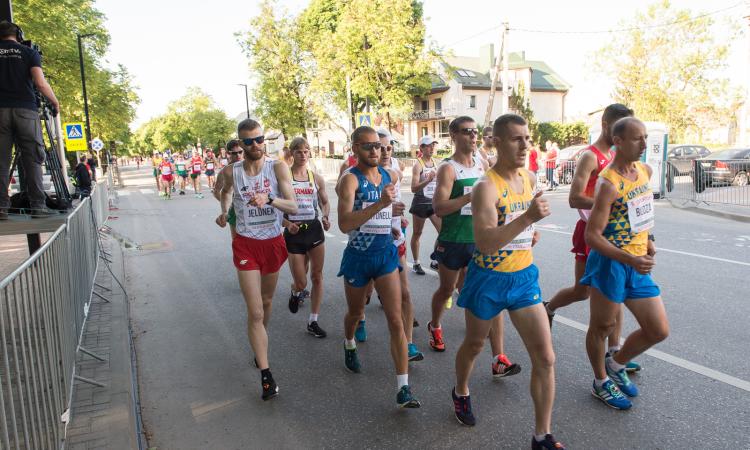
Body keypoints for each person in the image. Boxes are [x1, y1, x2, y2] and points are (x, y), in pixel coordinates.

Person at [451, 113, 564, 450]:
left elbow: (517, 225)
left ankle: (541, 435)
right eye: (516, 139)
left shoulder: (529, 179)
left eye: (527, 138)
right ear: (496, 143)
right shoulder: (486, 187)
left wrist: (530, 230)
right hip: (487, 279)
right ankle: (460, 390)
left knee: (545, 358)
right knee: (474, 344)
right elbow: (485, 242)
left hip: (523, 278)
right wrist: (528, 218)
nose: (525, 145)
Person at [544, 104, 642, 374]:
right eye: (619, 126)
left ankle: (614, 352)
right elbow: (575, 197)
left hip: (617, 233)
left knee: (616, 292)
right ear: (605, 124)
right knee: (582, 291)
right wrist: (608, 201)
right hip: (590, 232)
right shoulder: (591, 156)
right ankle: (549, 308)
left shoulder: (620, 154)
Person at [582, 117, 669, 410]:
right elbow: (592, 236)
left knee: (658, 330)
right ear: (618, 141)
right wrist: (630, 257)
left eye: (645, 138)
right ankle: (600, 381)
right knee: (602, 327)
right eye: (637, 139)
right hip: (611, 263)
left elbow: (640, 215)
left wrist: (648, 239)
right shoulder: (608, 183)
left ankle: (616, 364)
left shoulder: (644, 170)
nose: (644, 145)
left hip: (637, 261)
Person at [428, 116, 520, 379]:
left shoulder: (482, 163)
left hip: (480, 241)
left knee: (489, 296)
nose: (473, 136)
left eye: (475, 131)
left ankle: (498, 358)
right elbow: (439, 208)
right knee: (447, 289)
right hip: (453, 240)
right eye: (467, 131)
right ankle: (435, 325)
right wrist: (471, 195)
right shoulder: (448, 169)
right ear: (453, 136)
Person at [336, 125, 421, 408]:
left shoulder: (390, 175)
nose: (376, 151)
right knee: (355, 312)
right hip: (358, 257)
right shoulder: (351, 180)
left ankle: (403, 388)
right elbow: (345, 223)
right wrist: (381, 205)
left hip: (384, 253)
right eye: (368, 146)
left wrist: (393, 219)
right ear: (355, 149)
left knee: (395, 320)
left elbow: (389, 208)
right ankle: (349, 343)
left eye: (379, 146)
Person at [216, 119, 297, 401]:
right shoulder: (231, 172)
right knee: (256, 312)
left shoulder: (278, 168)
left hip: (273, 242)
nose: (255, 146)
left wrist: (270, 200)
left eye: (259, 139)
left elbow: (294, 205)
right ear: (240, 143)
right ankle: (266, 374)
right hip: (246, 245)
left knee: (266, 303)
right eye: (248, 142)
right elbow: (224, 192)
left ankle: (260, 339)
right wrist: (225, 211)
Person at [0, 21, 60, 219]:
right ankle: (38, 207)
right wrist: (55, 102)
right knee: (32, 159)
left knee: (1, 161)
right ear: (18, 34)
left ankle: (1, 208)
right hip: (26, 110)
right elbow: (40, 84)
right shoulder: (28, 53)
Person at [378, 135, 423, 362]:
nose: (386, 151)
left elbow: (396, 201)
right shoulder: (357, 174)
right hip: (370, 245)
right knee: (360, 301)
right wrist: (385, 216)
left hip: (396, 240)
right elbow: (351, 218)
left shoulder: (396, 167)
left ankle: (409, 343)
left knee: (405, 294)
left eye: (389, 147)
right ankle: (355, 328)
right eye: (380, 147)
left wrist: (400, 217)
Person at [283, 137, 330, 338]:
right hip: (294, 232)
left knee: (317, 276)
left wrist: (326, 216)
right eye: (299, 151)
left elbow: (325, 202)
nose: (303, 155)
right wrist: (286, 224)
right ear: (292, 153)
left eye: (306, 151)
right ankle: (296, 292)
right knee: (301, 282)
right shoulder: (284, 177)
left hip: (313, 229)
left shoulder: (316, 178)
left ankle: (313, 320)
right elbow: (275, 208)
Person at [409, 135, 441, 274]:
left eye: (433, 145)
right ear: (421, 147)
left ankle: (435, 260)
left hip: (433, 203)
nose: (431, 148)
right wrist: (428, 180)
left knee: (444, 232)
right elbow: (413, 188)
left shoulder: (436, 162)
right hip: (421, 203)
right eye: (428, 145)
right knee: (417, 233)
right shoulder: (418, 165)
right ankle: (416, 262)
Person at [214, 140, 243, 238]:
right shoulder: (225, 171)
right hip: (234, 211)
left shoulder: (250, 166)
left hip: (252, 208)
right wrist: (228, 207)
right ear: (228, 153)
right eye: (234, 153)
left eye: (240, 152)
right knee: (237, 241)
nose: (238, 155)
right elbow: (217, 191)